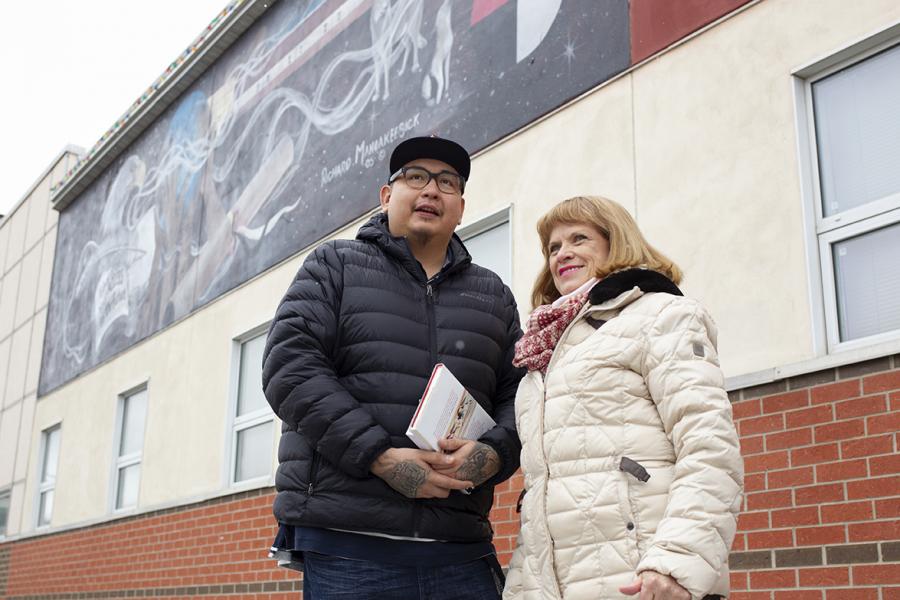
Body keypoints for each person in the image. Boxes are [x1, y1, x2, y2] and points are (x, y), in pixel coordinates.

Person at [262, 136, 525, 599]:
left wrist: (493, 456)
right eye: (415, 177)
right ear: (387, 197)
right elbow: (290, 366)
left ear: (461, 208)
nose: (430, 191)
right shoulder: (334, 266)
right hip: (350, 546)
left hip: (460, 549)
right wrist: (380, 457)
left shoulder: (494, 295)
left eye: (446, 182)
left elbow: (522, 397)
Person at [504, 196, 743, 600]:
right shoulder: (541, 353)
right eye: (553, 247)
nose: (563, 253)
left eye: (578, 238)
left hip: (644, 581)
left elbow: (709, 447)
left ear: (616, 242)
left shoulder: (660, 316)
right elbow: (542, 493)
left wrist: (675, 564)